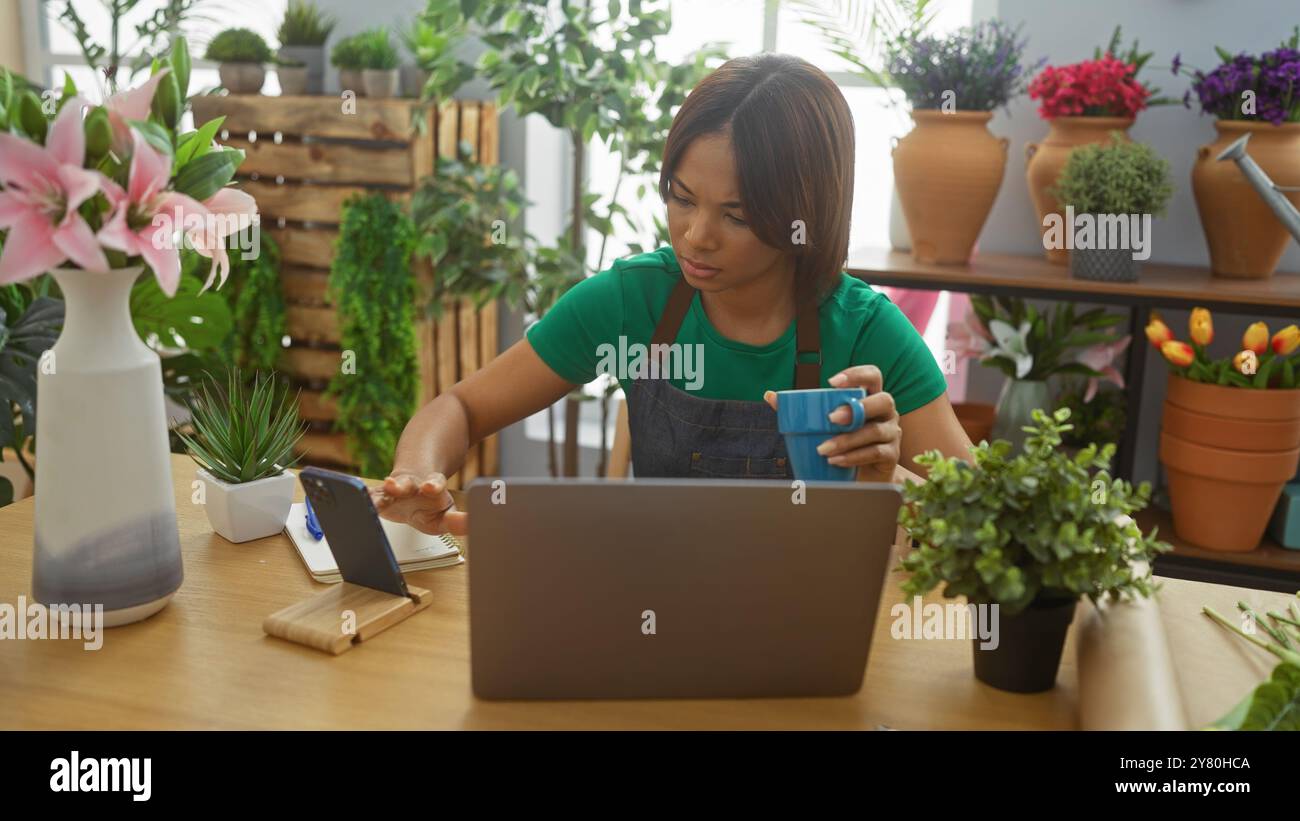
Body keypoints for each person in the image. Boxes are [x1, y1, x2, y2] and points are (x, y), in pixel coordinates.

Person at [372, 53, 972, 536]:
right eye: (682, 198)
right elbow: (461, 408)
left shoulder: (866, 331)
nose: (695, 235)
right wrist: (416, 475)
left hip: (808, 624)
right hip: (656, 609)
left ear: (803, 214)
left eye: (736, 216)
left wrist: (891, 479)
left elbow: (986, 521)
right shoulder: (632, 302)